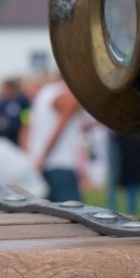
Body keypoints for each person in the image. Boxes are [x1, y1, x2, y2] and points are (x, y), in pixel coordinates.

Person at [25, 68, 84, 203]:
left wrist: (33, 156)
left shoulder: (45, 93)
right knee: (71, 216)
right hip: (60, 164)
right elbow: (59, 130)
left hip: (42, 163)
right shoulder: (67, 95)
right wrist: (43, 157)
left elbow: (28, 127)